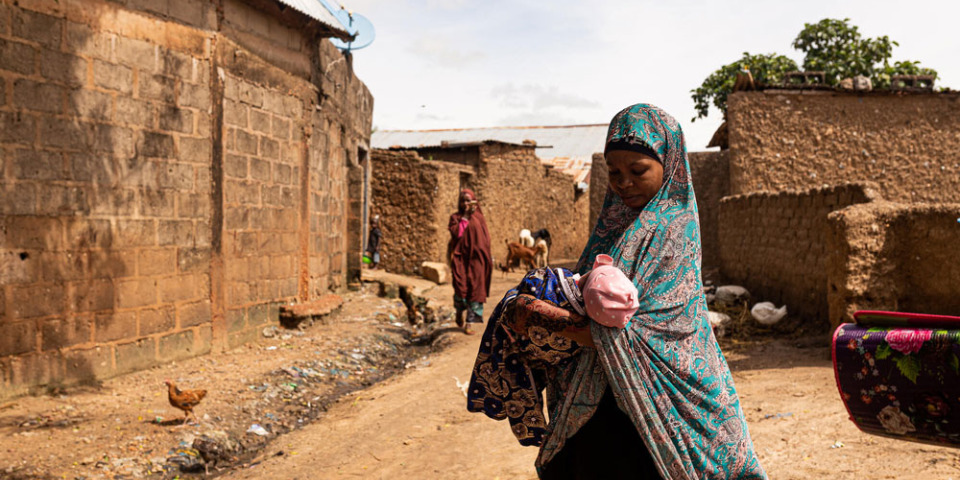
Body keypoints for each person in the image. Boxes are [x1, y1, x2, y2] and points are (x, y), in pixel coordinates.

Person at [505, 104, 767, 479]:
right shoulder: (612, 229)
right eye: (614, 172)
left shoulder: (671, 230)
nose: (623, 182)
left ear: (670, 165)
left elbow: (641, 332)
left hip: (657, 405)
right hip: (599, 405)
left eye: (637, 170)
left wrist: (549, 319)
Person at [466, 254, 640, 446]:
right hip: (517, 340)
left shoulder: (549, 280)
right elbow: (522, 309)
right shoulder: (576, 330)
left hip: (514, 340)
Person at [447, 189, 493, 335]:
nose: (466, 203)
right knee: (461, 289)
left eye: (468, 200)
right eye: (463, 200)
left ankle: (469, 322)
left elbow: (486, 240)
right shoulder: (455, 218)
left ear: (474, 202)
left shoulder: (479, 218)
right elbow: (457, 234)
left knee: (476, 290)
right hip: (461, 259)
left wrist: (486, 258)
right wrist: (465, 217)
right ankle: (459, 311)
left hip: (477, 260)